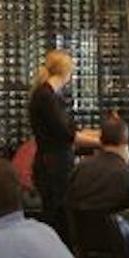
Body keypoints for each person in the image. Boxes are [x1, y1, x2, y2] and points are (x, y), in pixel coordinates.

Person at [27, 49, 98, 243]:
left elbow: (72, 128)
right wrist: (103, 141)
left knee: (59, 216)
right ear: (67, 72)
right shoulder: (46, 97)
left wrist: (99, 133)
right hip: (53, 168)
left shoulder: (51, 95)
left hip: (54, 164)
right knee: (58, 219)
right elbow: (68, 134)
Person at [67, 117, 129, 214]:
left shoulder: (80, 168)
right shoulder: (128, 174)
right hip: (115, 228)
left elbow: (69, 201)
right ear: (126, 140)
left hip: (81, 228)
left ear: (101, 139)